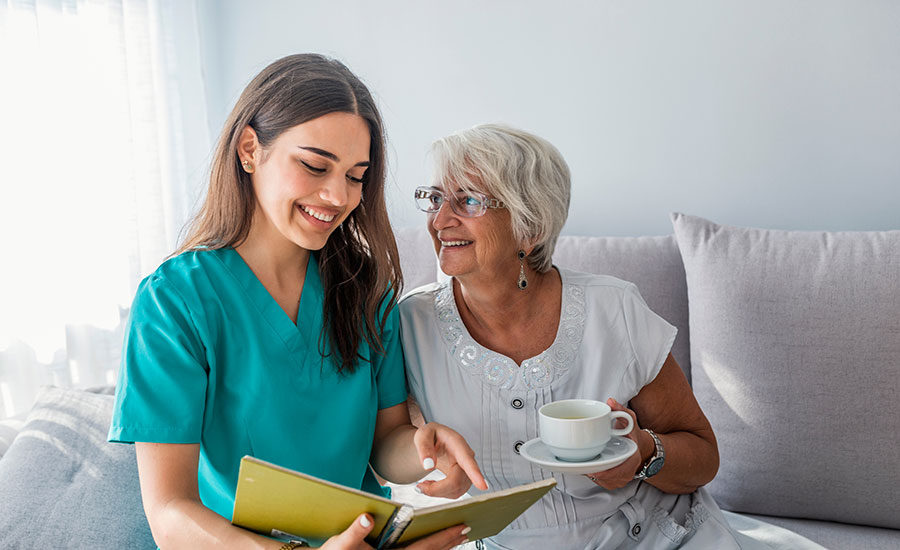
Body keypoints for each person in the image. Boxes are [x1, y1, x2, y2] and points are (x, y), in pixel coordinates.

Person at [108, 54, 485, 550]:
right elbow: (169, 511)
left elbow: (384, 443)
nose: (338, 196)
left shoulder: (366, 288)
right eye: (314, 166)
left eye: (356, 176)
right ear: (249, 149)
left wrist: (425, 450)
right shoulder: (174, 301)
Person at [399, 124, 783, 549]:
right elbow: (386, 446)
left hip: (650, 538)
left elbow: (703, 457)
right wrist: (430, 460)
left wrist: (643, 454)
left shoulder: (612, 308)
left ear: (530, 226)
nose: (440, 221)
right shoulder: (411, 324)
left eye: (468, 200)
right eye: (435, 199)